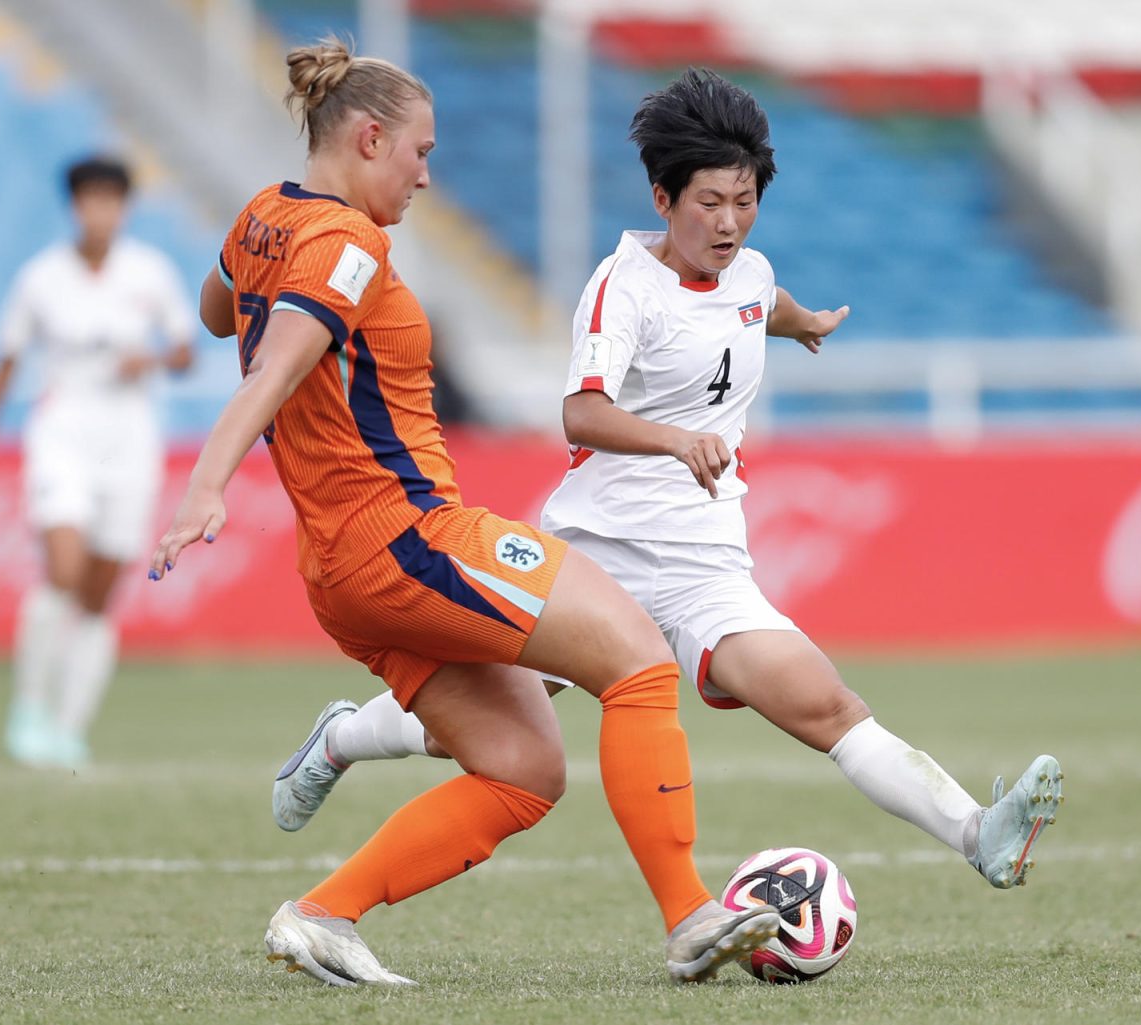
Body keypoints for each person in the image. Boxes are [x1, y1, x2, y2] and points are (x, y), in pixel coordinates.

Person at [286, 68, 1064, 892]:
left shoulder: (752, 275)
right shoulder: (623, 288)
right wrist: (674, 440)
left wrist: (809, 324)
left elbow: (765, 301)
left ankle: (979, 833)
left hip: (704, 563)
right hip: (595, 554)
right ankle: (341, 738)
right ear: (663, 198)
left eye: (745, 200)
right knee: (464, 730)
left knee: (825, 706)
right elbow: (580, 414)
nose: (729, 223)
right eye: (709, 202)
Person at [150, 39, 779, 987]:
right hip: (409, 538)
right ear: (368, 139)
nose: (427, 177)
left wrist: (262, 265)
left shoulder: (264, 219)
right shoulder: (351, 246)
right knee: (641, 659)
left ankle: (321, 915)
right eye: (419, 153)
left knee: (525, 769)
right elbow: (277, 365)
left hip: (339, 572)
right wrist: (205, 486)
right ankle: (691, 914)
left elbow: (217, 311)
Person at [0, 155, 195, 770]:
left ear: (125, 208)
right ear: (74, 206)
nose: (101, 212)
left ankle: (68, 727)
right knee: (62, 569)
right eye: (91, 200)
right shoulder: (41, 278)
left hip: (130, 443)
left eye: (112, 200)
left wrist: (156, 360)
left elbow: (186, 351)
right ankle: (29, 706)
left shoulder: (150, 272)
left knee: (99, 593)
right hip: (61, 433)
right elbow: (6, 359)